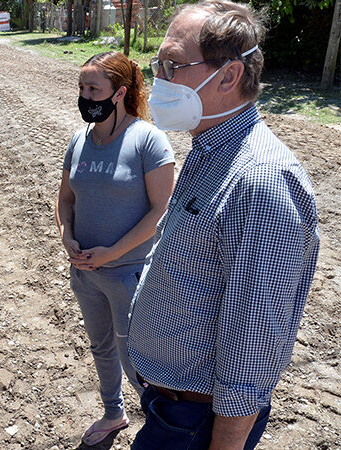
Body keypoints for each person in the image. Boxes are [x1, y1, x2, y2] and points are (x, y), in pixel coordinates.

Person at [127, 1, 320, 449]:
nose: (158, 79)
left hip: (198, 420)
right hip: (174, 405)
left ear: (229, 76)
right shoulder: (209, 148)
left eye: (171, 64)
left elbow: (253, 341)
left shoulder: (259, 181)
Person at [56, 51, 175, 447]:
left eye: (94, 88)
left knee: (135, 358)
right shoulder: (79, 140)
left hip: (129, 274)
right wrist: (66, 233)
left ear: (120, 92)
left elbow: (161, 211)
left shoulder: (148, 140)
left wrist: (112, 253)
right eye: (81, 88)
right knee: (101, 346)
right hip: (85, 272)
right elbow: (66, 199)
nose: (85, 95)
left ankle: (162, 428)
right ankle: (113, 412)